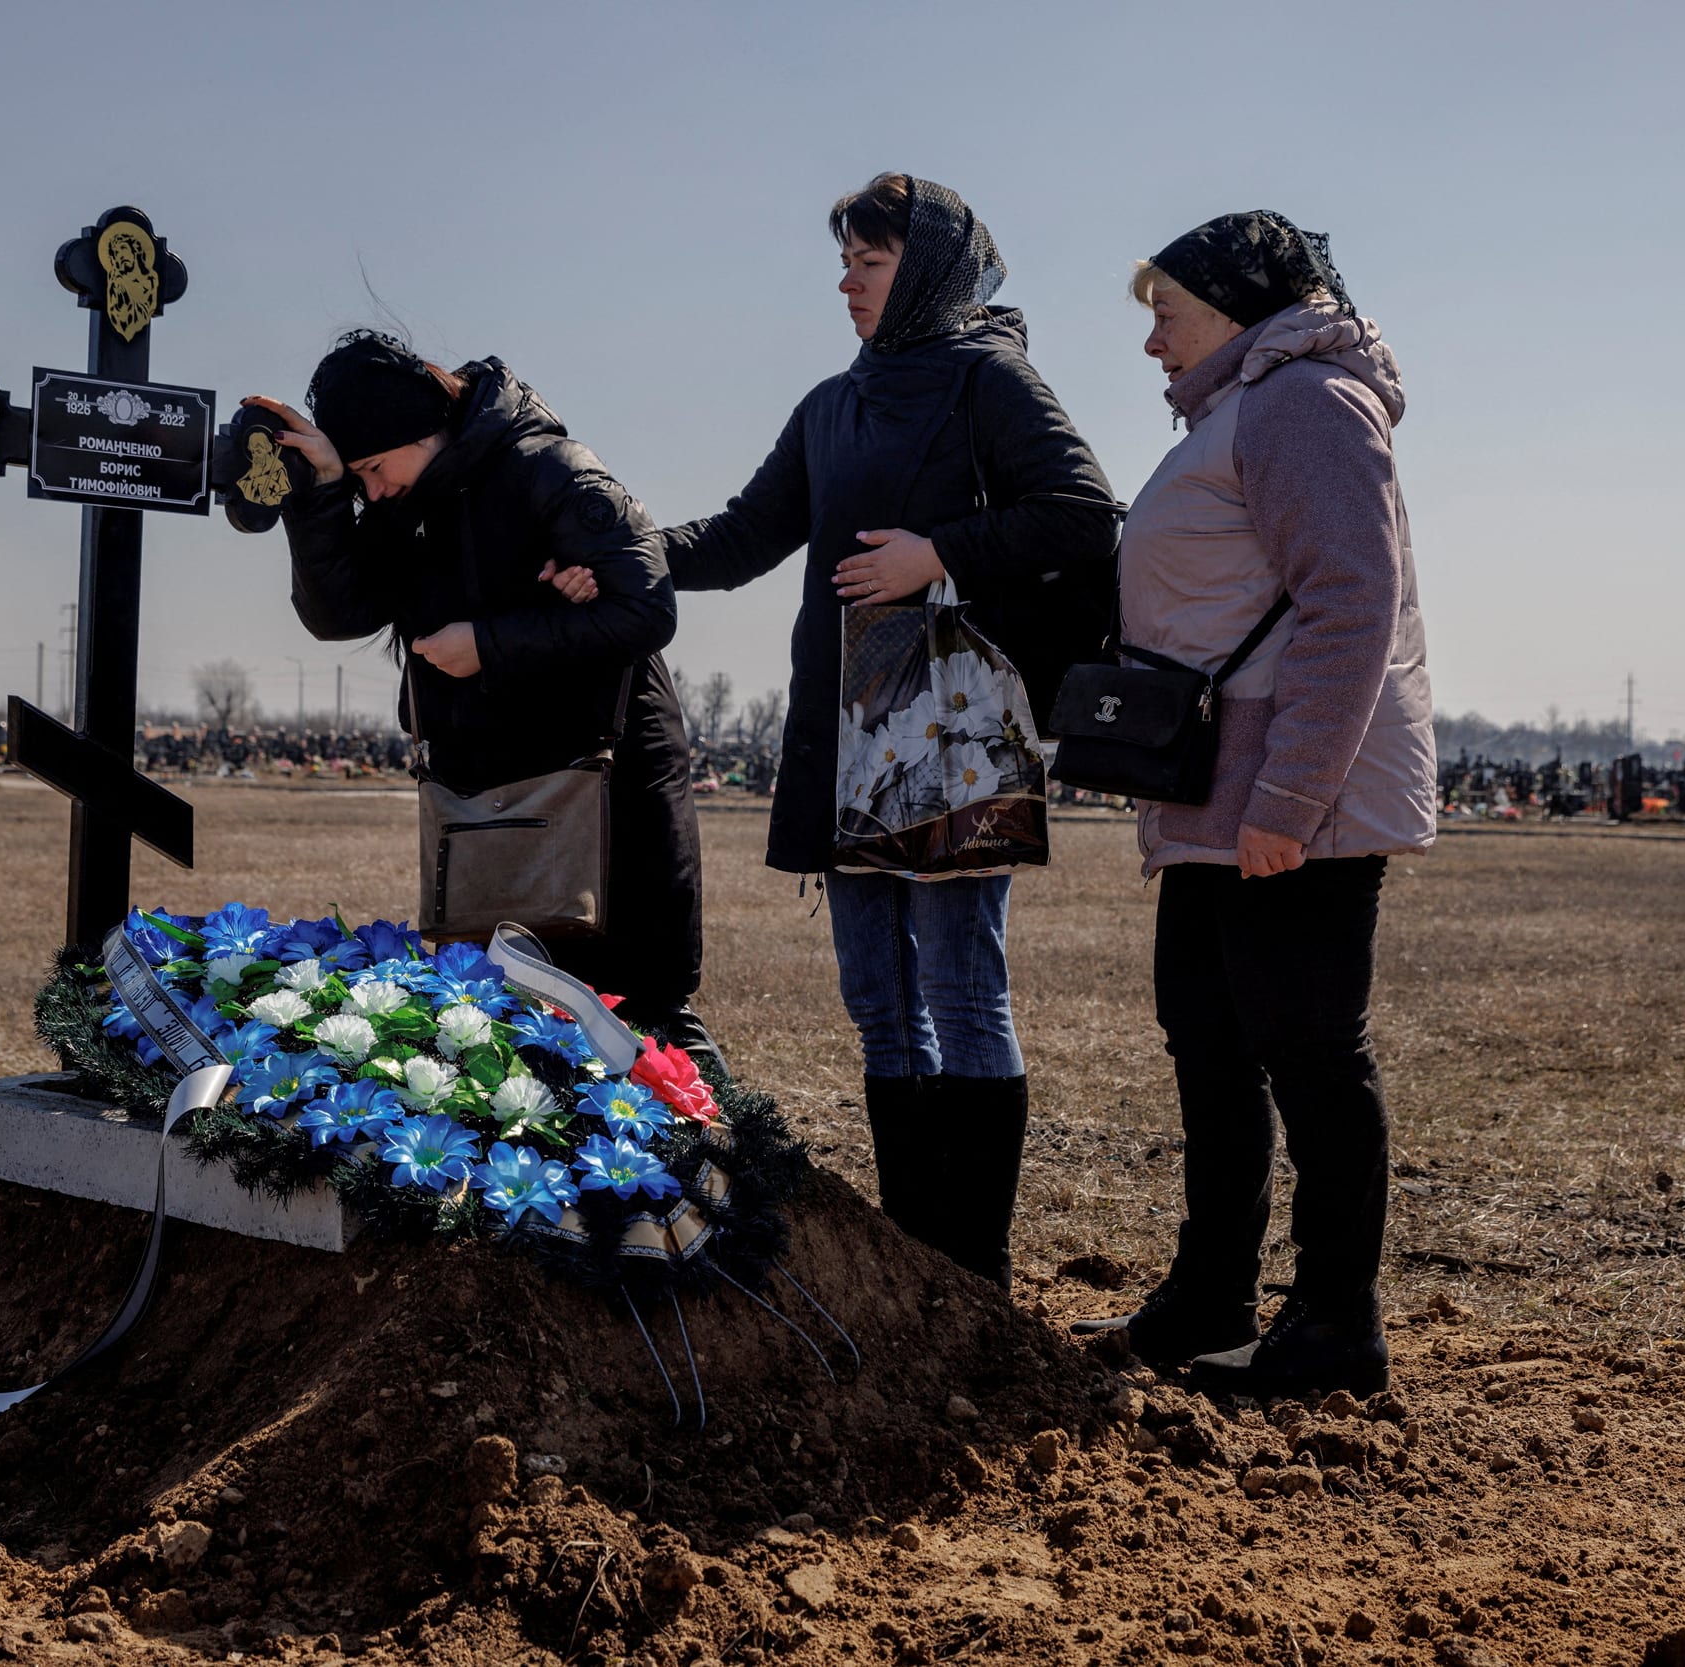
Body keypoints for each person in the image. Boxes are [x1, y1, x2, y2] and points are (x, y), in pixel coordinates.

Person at [629, 173, 1120, 1285]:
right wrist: (612, 542)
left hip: (950, 723)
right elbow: (740, 537)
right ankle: (914, 1258)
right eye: (844, 260)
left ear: (929, 265)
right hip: (840, 734)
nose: (845, 281)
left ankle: (975, 1268)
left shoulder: (987, 375)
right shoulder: (832, 403)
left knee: (959, 987)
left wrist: (937, 550)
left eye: (869, 260)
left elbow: (1085, 513)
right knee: (877, 1002)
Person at [1073, 212, 1434, 1396]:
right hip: (1216, 799)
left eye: (1163, 315)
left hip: (1289, 805)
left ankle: (1335, 1326)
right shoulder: (1244, 406)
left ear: (1231, 310)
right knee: (1213, 1043)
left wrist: (1288, 797)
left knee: (1307, 1053)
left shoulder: (1302, 404)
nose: (1151, 344)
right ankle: (1211, 1293)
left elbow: (1349, 604)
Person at [245, 332, 717, 1059]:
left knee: (647, 1027)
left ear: (415, 428)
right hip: (487, 811)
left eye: (373, 466)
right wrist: (325, 490)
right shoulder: (408, 502)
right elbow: (336, 612)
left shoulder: (548, 469)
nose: (374, 488)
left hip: (604, 802)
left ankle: (728, 1173)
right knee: (512, 1043)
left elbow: (648, 608)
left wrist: (487, 643)